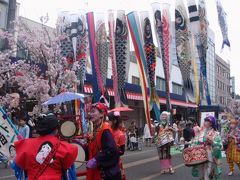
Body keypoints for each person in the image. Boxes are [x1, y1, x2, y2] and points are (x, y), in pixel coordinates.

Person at [13, 112, 78, 179]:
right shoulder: (65, 148)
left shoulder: (26, 146)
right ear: (56, 130)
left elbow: (17, 166)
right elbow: (69, 171)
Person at [87, 102, 121, 180]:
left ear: (102, 114)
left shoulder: (105, 130)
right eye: (90, 112)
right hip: (100, 168)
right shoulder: (95, 129)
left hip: (107, 172)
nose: (90, 114)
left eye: (93, 112)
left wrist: (96, 159)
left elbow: (110, 150)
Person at [191, 115, 222, 180]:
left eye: (207, 121)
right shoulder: (201, 132)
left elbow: (219, 145)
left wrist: (212, 142)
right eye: (205, 121)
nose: (205, 122)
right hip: (200, 153)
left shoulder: (215, 133)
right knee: (201, 171)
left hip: (210, 153)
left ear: (211, 123)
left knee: (208, 171)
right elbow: (195, 141)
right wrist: (192, 144)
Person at [108, 111, 126, 180]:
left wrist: (110, 152)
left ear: (114, 121)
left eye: (109, 120)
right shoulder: (107, 132)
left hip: (115, 162)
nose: (107, 123)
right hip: (106, 162)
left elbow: (122, 151)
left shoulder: (121, 135)